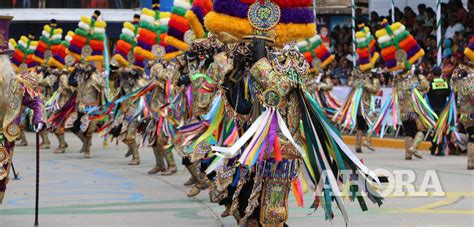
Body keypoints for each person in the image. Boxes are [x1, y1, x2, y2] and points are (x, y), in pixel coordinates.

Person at [1, 18, 45, 203]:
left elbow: (36, 101)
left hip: (5, 139)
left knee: (0, 179)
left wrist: (39, 119)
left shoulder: (18, 84)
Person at [427, 66, 451, 155]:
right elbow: (449, 94)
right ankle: (434, 147)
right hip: (443, 109)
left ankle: (438, 148)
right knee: (440, 129)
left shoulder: (431, 83)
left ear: (433, 74)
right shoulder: (445, 83)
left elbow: (427, 95)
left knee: (434, 128)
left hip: (433, 109)